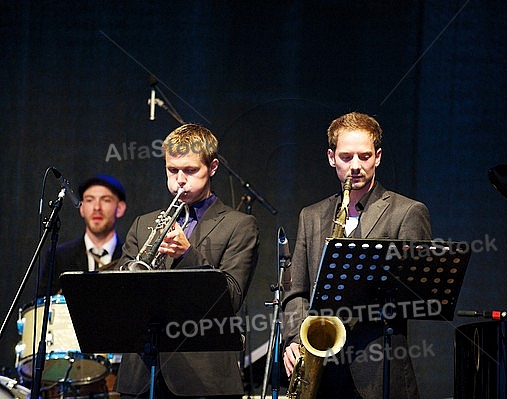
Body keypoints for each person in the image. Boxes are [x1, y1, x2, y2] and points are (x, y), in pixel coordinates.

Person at [282, 112, 432, 399]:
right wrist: (293, 338)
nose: (355, 166)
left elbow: (416, 296)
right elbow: (296, 291)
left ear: (377, 157)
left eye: (364, 156)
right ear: (331, 157)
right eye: (346, 156)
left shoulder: (408, 212)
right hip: (322, 370)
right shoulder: (311, 216)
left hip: (379, 370)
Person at [115, 123, 259, 399]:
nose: (180, 179)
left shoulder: (240, 225)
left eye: (191, 170)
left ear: (213, 167)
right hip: (142, 377)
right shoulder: (143, 224)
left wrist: (187, 255)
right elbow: (123, 294)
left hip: (204, 379)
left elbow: (230, 298)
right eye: (172, 170)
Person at [40, 174, 127, 296]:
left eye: (106, 200)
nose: (97, 207)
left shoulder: (129, 257)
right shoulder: (59, 257)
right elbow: (42, 306)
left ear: (120, 208)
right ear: (81, 208)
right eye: (89, 200)